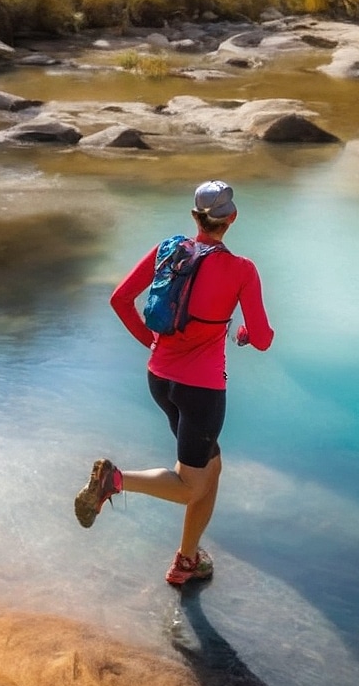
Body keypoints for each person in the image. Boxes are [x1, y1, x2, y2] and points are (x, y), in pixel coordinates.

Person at [74, 179, 274, 585]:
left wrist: (151, 342)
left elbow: (120, 299)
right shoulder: (241, 270)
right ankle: (114, 480)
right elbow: (264, 338)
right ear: (231, 218)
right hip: (201, 392)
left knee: (210, 468)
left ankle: (187, 561)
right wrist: (244, 335)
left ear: (194, 217)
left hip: (160, 379)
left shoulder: (169, 250)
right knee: (188, 485)